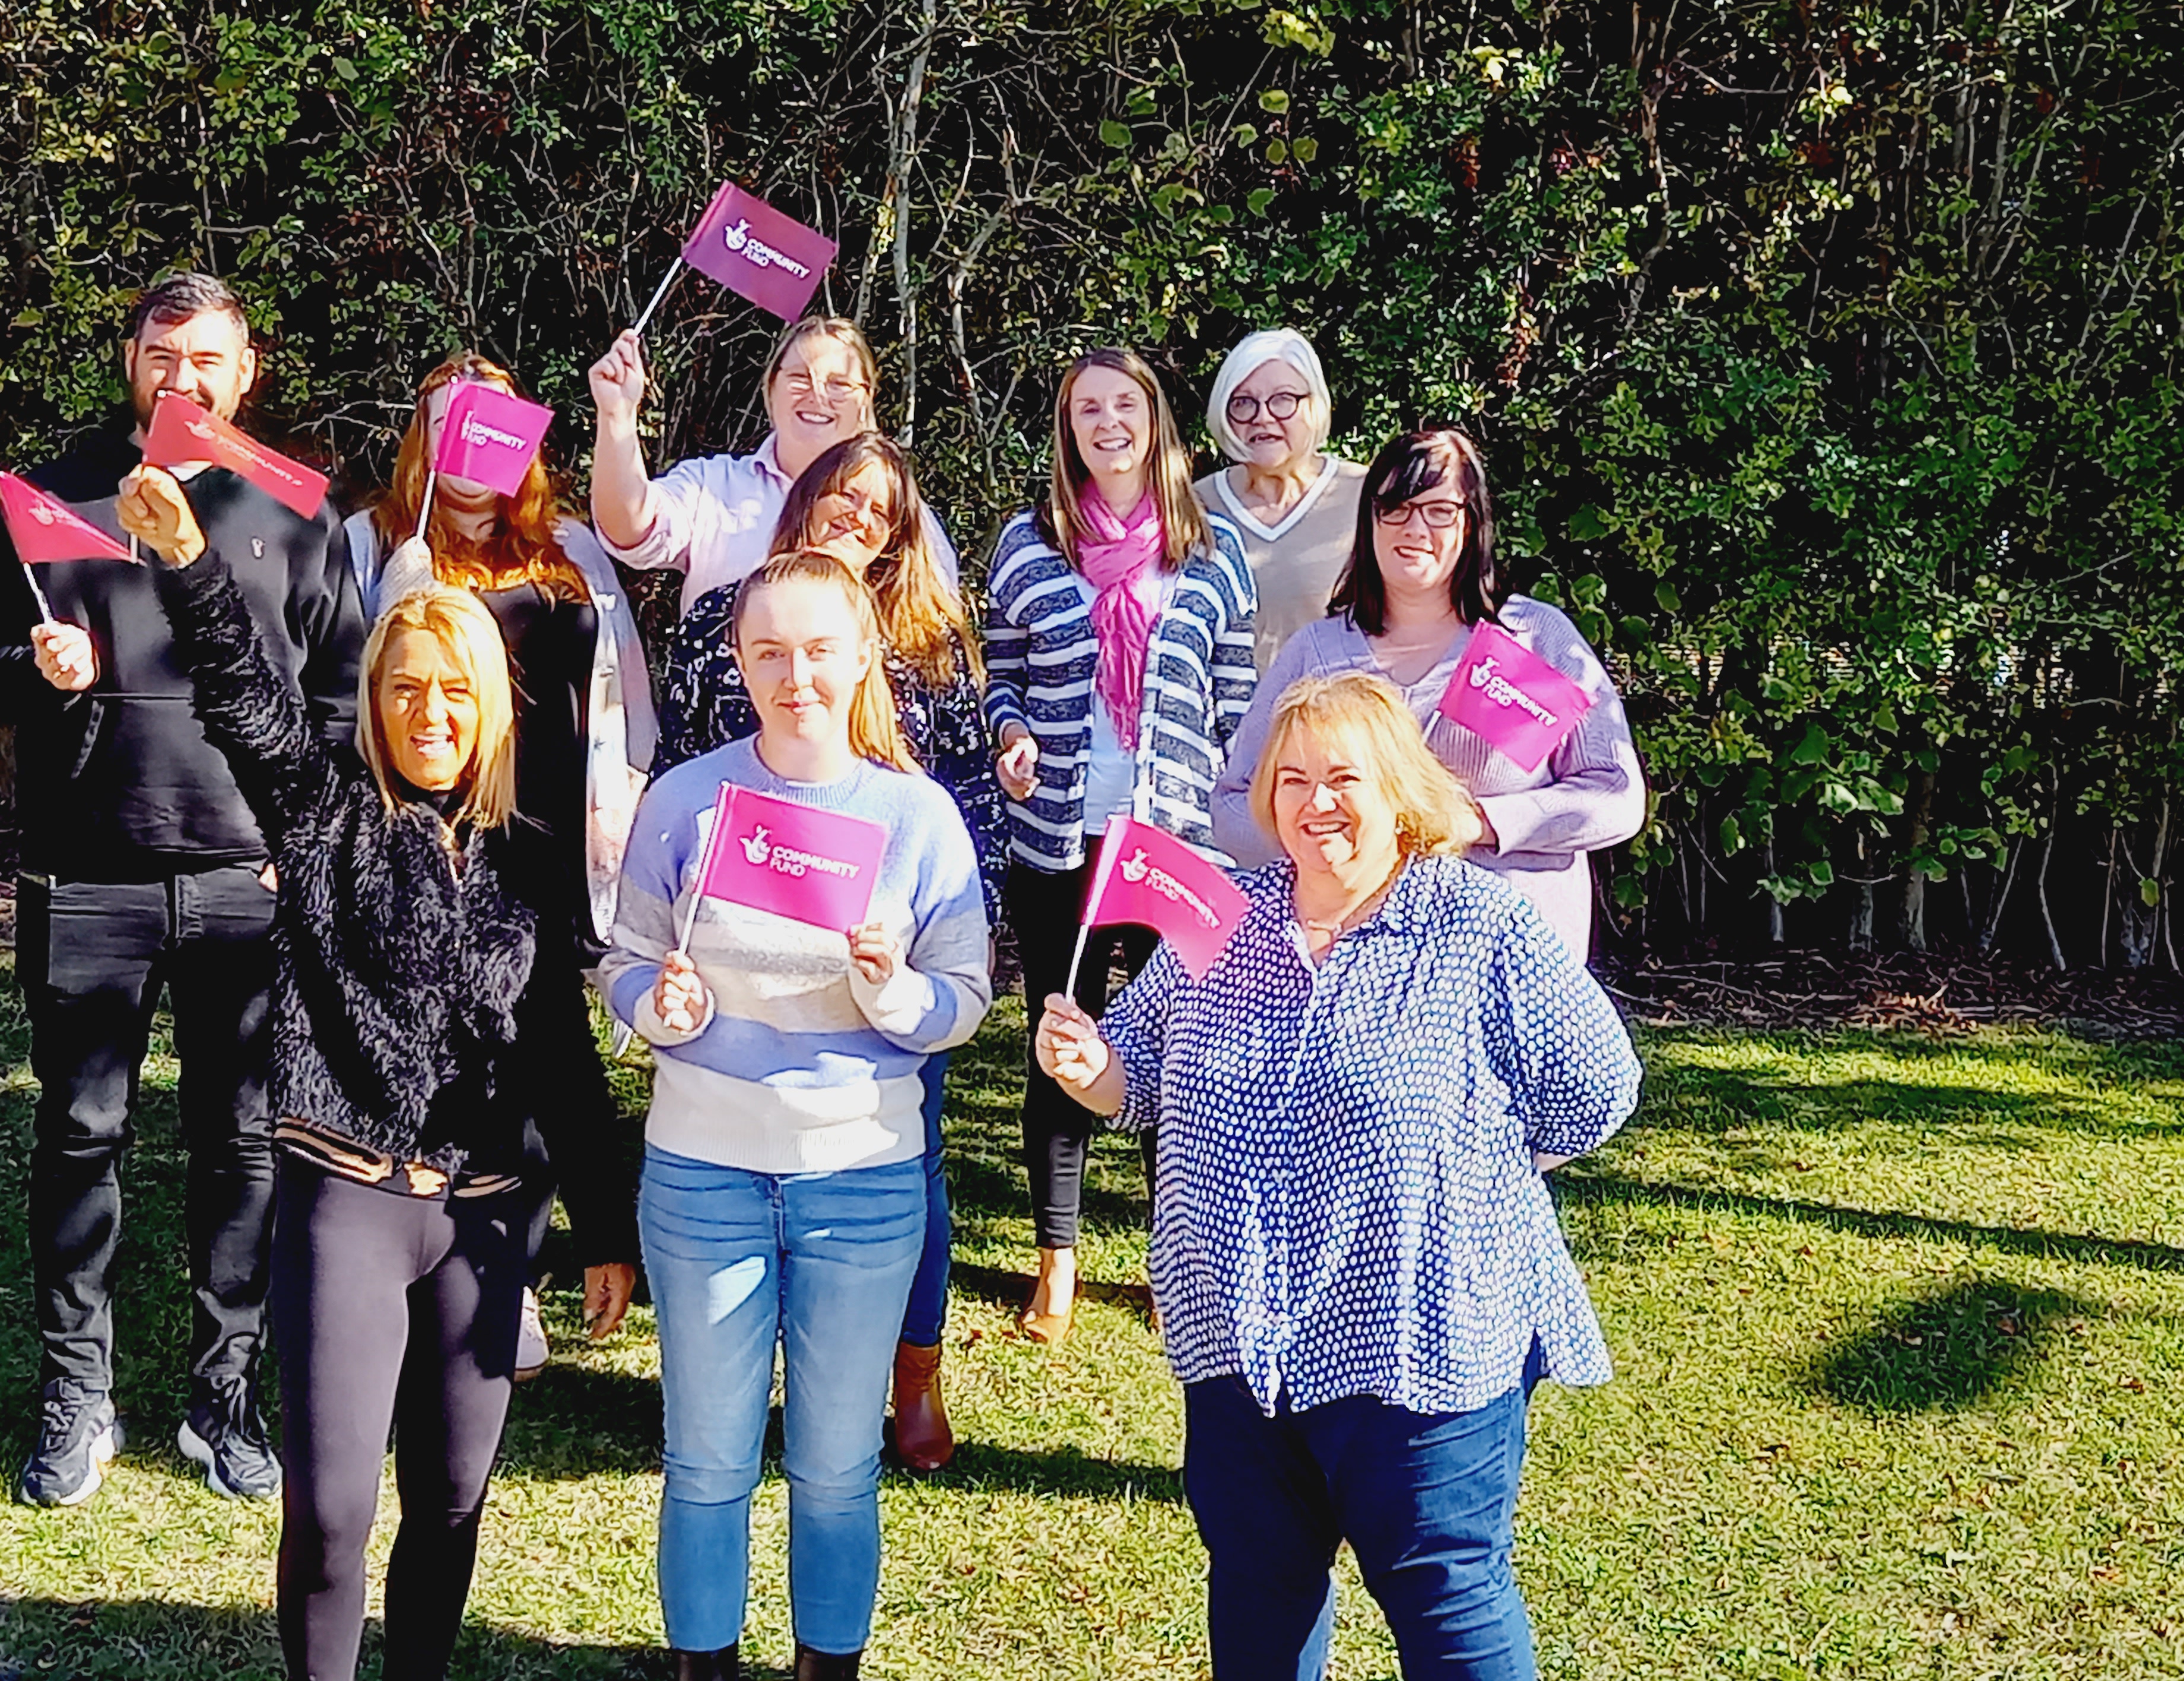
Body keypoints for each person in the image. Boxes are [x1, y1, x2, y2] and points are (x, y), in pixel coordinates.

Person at [116, 466, 638, 1681]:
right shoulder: (322, 811)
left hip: (486, 1217)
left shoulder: (530, 853)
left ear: (493, 710)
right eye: (406, 690)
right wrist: (192, 563)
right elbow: (247, 703)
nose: (432, 711)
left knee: (452, 1501)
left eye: (455, 690)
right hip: (345, 1196)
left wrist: (604, 1224)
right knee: (335, 1506)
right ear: (376, 705)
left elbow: (557, 1048)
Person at [1035, 671, 1642, 1681]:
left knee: (1447, 1594)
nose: (1318, 803)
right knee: (1260, 1597)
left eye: (1345, 777)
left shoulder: (1479, 927)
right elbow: (1131, 1074)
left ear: (1402, 788)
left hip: (1423, 1338)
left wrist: (1477, 1166)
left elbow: (1596, 1091)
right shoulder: (1219, 921)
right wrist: (1089, 1067)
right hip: (1237, 1338)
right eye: (1294, 779)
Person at [0, 272, 366, 1510]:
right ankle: (79, 1394)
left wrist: (311, 839)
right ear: (130, 359)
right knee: (79, 1138)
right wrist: (34, 664)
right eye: (161, 354)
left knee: (242, 1145)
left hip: (249, 874)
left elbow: (339, 697)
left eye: (208, 360)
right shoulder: (53, 495)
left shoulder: (294, 510)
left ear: (247, 374)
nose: (183, 379)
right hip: (90, 873)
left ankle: (221, 1398)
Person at [603, 552, 992, 1681]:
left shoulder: (917, 818)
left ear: (866, 654)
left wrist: (891, 992)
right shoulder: (688, 802)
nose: (796, 675)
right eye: (769, 652)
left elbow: (960, 1000)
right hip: (702, 1174)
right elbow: (625, 962)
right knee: (708, 1462)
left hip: (864, 1182)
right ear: (739, 662)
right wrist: (657, 1007)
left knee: (835, 1469)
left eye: (820, 649)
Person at [650, 431, 1005, 1471]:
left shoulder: (931, 641)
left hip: (883, 967)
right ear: (804, 501)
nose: (859, 516)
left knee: (913, 1165)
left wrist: (943, 948)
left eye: (882, 508)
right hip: (739, 958)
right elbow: (686, 762)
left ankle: (910, 1374)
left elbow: (967, 802)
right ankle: (730, 1384)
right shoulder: (726, 619)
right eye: (841, 496)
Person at [344, 349, 656, 1377]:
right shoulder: (373, 545)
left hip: (556, 837)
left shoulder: (568, 547)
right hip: (444, 844)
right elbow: (351, 696)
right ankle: (460, 1268)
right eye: (451, 421)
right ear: (423, 438)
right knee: (465, 1061)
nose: (473, 443)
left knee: (550, 1053)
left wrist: (632, 802)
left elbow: (622, 693)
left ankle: (544, 1259)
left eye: (495, 422)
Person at [982, 347, 1255, 1346]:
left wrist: (1232, 822)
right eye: (1086, 407)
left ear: (1154, 420)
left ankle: (1168, 1259)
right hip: (1056, 833)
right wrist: (1011, 737)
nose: (1107, 422)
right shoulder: (1027, 543)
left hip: (1170, 842)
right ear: (1069, 428)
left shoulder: (1210, 549)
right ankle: (1056, 1265)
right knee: (1061, 1042)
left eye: (1124, 403)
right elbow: (1000, 673)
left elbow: (1235, 705)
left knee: (1173, 1052)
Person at [1212, 428, 1645, 964]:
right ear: (1369, 519)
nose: (1415, 528)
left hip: (1510, 961)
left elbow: (1616, 797)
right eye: (1395, 507)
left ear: (1473, 521)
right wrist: (1334, 839)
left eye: (1440, 510)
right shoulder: (1315, 655)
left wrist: (1480, 822)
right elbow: (1233, 808)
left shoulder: (1533, 641)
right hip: (1354, 966)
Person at [584, 317, 956, 617]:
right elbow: (630, 530)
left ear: (866, 400)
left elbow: (934, 637)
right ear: (771, 388)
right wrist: (617, 415)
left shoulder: (902, 518)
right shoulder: (713, 487)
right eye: (799, 378)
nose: (817, 395)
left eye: (839, 384)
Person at [1195, 327, 1367, 674]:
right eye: (1244, 402)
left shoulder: (1365, 494)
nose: (1263, 416)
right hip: (1229, 723)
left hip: (1336, 719)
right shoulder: (1195, 505)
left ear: (1316, 405)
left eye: (1284, 399)